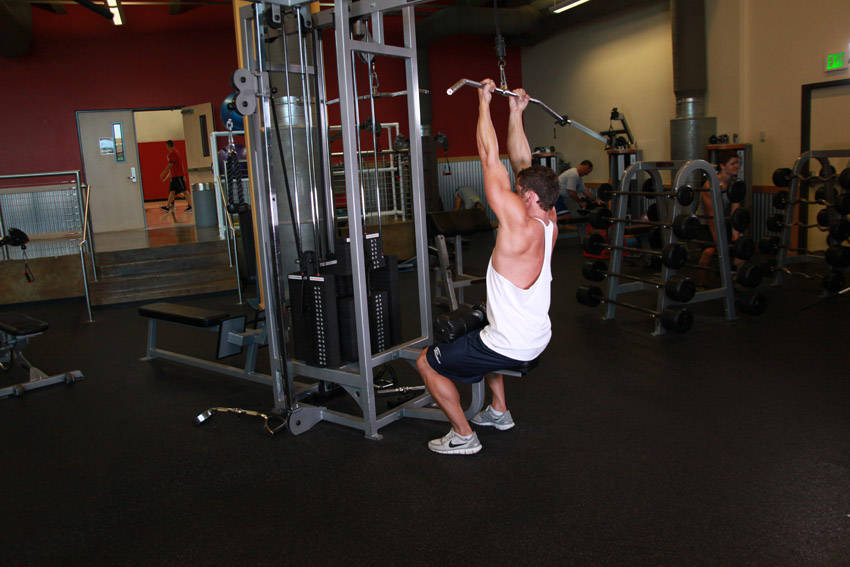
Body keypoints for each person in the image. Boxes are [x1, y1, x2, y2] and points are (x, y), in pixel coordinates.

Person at [415, 79, 559, 455]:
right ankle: (498, 411)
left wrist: (483, 102)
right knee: (481, 322)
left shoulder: (518, 226)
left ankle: (463, 436)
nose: (514, 189)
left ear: (526, 197)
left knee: (427, 362)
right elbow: (523, 163)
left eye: (518, 190)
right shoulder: (550, 220)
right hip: (537, 334)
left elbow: (489, 159)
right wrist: (515, 113)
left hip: (513, 344)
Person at [696, 150, 742, 285]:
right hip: (705, 224)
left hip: (724, 222)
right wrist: (719, 243)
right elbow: (711, 217)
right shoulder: (710, 185)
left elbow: (735, 212)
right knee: (709, 252)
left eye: (737, 163)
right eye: (733, 163)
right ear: (722, 166)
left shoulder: (735, 184)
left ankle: (735, 281)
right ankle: (701, 284)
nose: (736, 166)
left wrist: (736, 235)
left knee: (740, 248)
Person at [159, 140, 193, 212]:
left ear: (168, 145)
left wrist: (163, 173)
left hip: (178, 176)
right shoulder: (176, 152)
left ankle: (191, 206)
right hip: (175, 176)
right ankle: (167, 207)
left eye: (166, 146)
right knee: (172, 191)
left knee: (184, 191)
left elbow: (170, 165)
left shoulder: (173, 153)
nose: (166, 147)